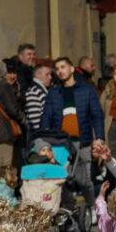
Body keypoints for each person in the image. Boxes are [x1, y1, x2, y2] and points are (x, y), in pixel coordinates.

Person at [39, 57, 104, 209]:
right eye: (57, 68)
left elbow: (97, 115)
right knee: (62, 179)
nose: (60, 71)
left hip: (84, 141)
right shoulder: (54, 93)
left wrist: (99, 138)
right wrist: (44, 138)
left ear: (72, 69)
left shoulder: (87, 90)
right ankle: (67, 211)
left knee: (84, 180)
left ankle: (92, 206)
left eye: (63, 67)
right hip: (61, 144)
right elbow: (46, 116)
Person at [23, 63, 51, 131]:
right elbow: (35, 120)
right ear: (38, 75)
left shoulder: (41, 90)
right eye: (47, 74)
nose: (50, 77)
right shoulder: (33, 92)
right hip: (41, 136)